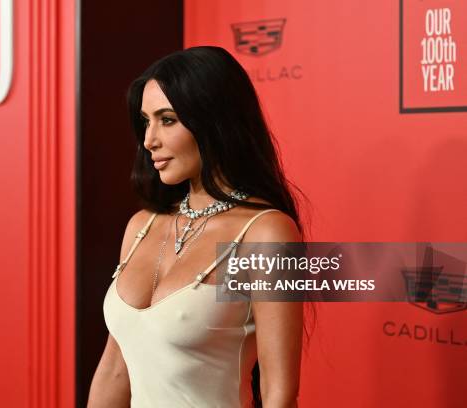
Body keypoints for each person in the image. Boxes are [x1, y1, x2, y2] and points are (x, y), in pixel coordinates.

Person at [88, 46, 311, 408]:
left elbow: (279, 391)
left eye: (168, 119)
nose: (149, 140)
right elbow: (114, 369)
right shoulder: (141, 226)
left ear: (213, 120)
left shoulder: (265, 233)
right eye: (146, 121)